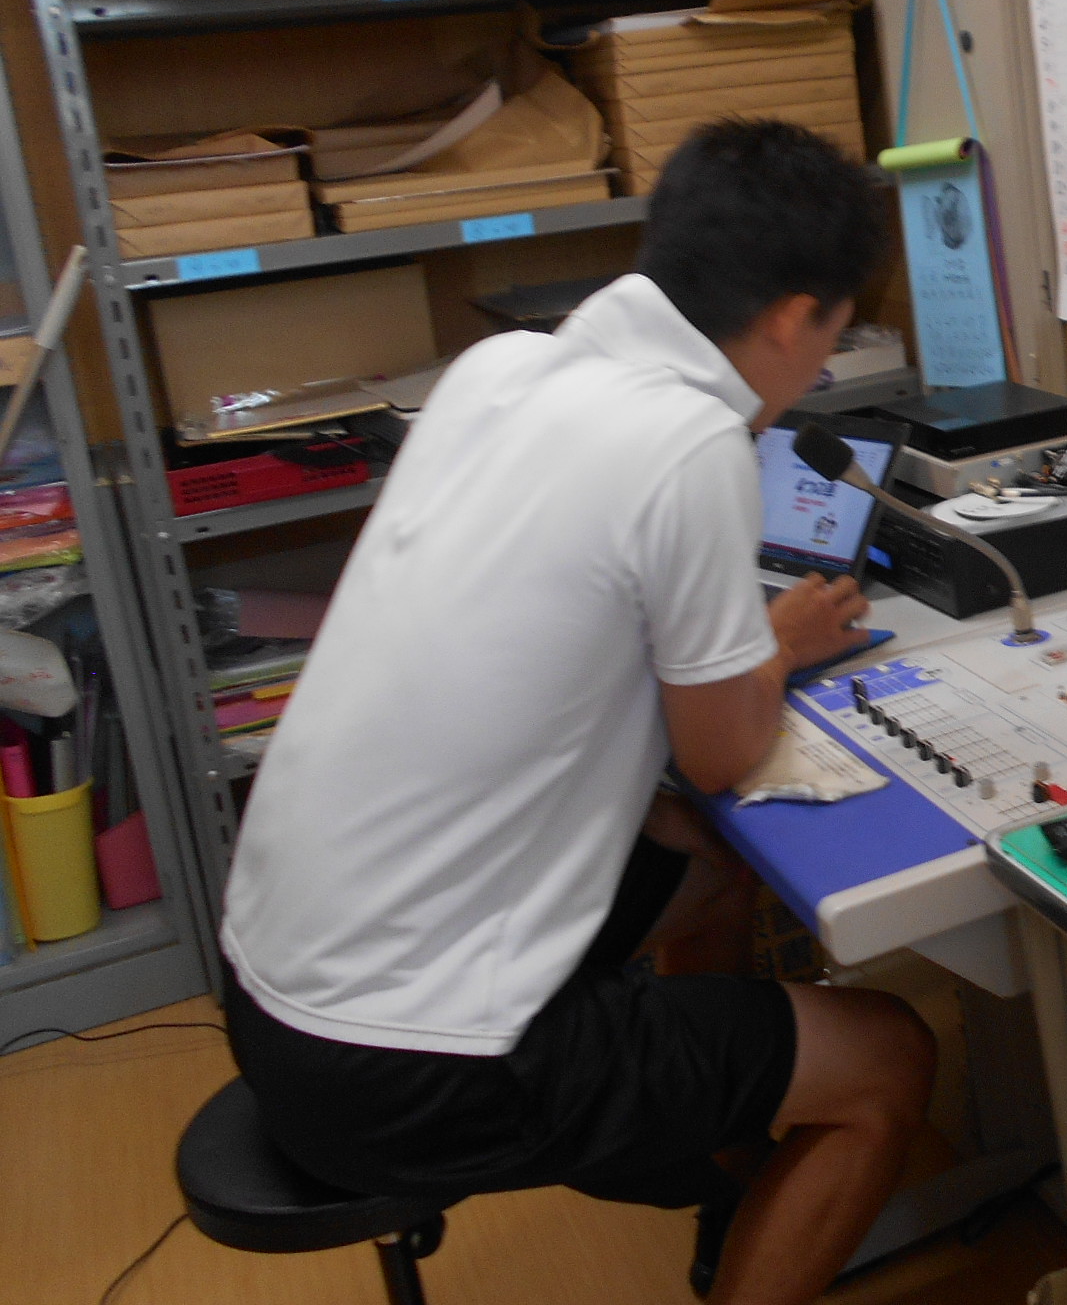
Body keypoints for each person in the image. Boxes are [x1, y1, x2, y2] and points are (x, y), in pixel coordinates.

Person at [218, 119, 936, 1304]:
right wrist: (780, 645)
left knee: (704, 858)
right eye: (834, 335)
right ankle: (752, 1164)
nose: (821, 368)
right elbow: (722, 753)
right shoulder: (690, 442)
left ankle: (731, 1178)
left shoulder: (497, 369)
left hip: (270, 989)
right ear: (791, 318)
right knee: (890, 1059)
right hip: (408, 1066)